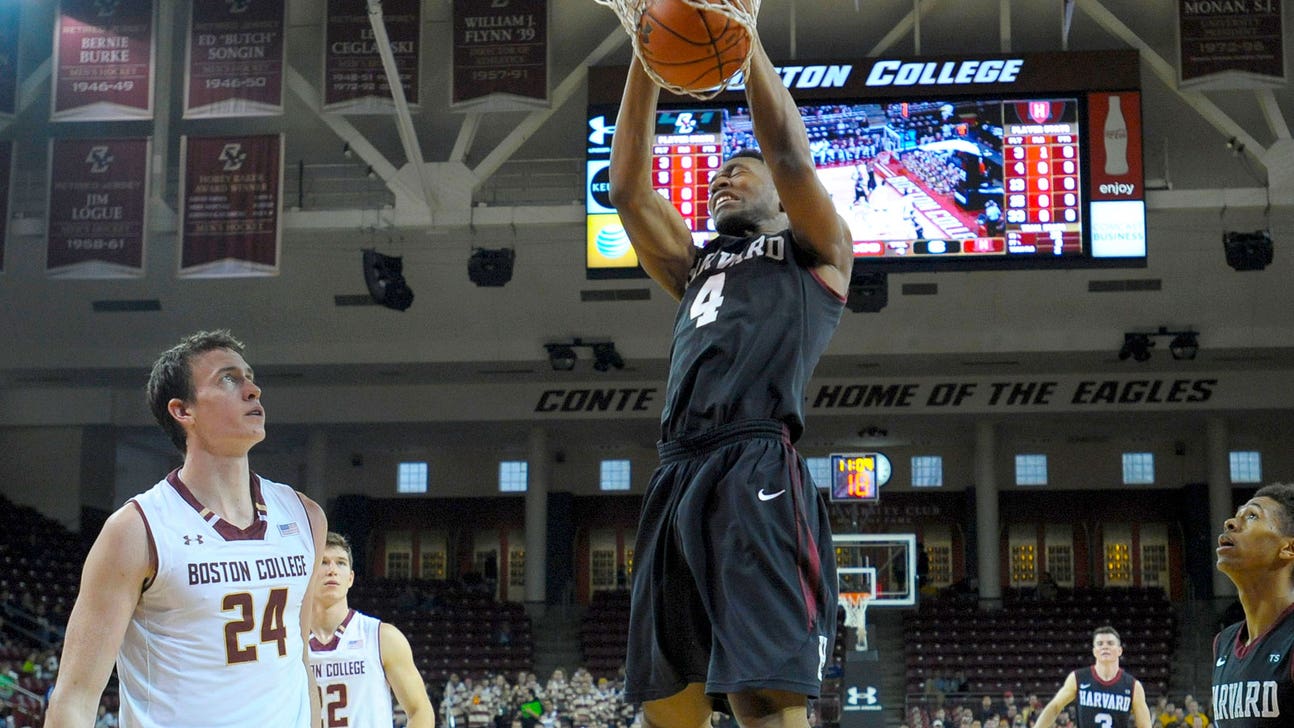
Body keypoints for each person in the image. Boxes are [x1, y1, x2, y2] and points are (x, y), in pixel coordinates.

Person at [607, 17, 853, 728]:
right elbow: (627, 188)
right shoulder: (695, 266)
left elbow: (790, 156)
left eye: (738, 172)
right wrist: (644, 56)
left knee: (762, 702)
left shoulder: (820, 254)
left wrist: (743, 37)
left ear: (778, 199)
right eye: (717, 174)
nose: (721, 178)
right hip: (676, 471)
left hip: (755, 469)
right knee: (669, 707)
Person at [45, 330, 327, 727]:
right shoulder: (136, 529)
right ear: (183, 411)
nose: (252, 390)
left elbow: (301, 663)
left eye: (249, 376)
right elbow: (74, 698)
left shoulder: (306, 516)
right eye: (228, 379)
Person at [309, 531, 434, 728]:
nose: (332, 570)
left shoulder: (382, 637)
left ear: (350, 578)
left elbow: (420, 711)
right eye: (323, 562)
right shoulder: (288, 641)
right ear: (307, 573)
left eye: (340, 562)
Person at [1212, 482, 1294, 725]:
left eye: (1252, 515)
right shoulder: (1223, 643)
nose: (1230, 523)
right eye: (1236, 515)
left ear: (1288, 548)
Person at [1030, 626, 1152, 728]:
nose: (1105, 646)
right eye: (1100, 644)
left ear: (1120, 650)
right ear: (1094, 651)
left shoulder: (1133, 686)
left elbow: (1144, 726)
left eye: (1110, 643)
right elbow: (1055, 707)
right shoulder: (1078, 678)